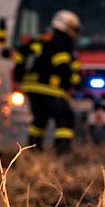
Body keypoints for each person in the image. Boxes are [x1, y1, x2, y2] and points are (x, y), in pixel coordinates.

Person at [13, 10, 81, 154]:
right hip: (51, 89)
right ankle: (63, 153)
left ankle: (33, 150)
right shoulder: (61, 41)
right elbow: (62, 65)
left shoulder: (40, 39)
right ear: (68, 28)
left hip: (31, 88)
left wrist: (19, 77)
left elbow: (20, 56)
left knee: (39, 119)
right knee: (65, 118)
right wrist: (73, 82)